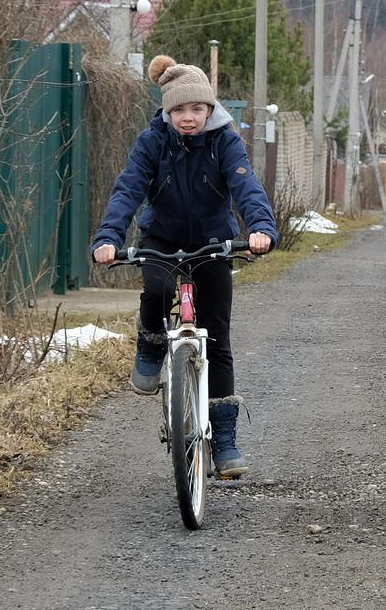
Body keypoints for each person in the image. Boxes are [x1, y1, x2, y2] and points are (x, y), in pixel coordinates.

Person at [92, 54, 276, 479]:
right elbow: (128, 190)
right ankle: (153, 342)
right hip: (163, 238)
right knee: (156, 289)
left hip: (215, 241)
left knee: (218, 340)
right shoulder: (152, 141)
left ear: (210, 109)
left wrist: (261, 228)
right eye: (178, 110)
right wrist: (108, 238)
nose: (188, 118)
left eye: (196, 108)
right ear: (166, 111)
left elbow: (246, 186)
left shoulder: (225, 141)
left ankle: (225, 439)